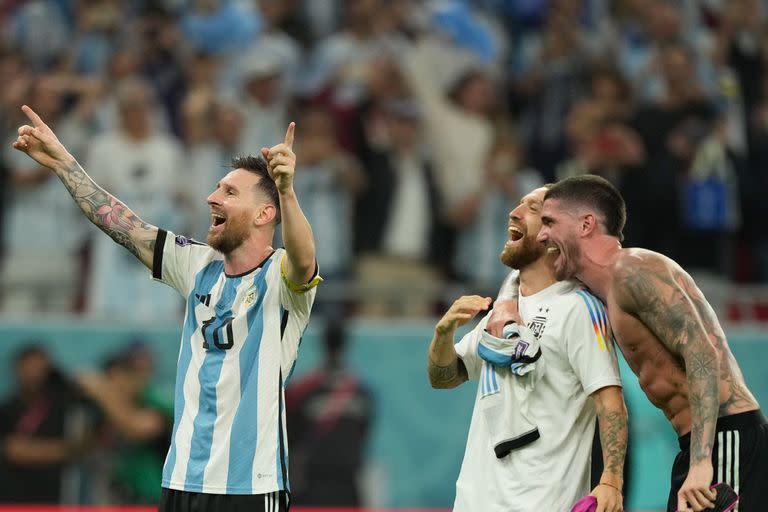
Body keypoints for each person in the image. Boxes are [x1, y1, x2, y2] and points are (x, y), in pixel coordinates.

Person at [12, 104, 321, 512]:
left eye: (229, 192)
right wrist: (64, 163)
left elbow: (303, 259)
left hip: (250, 486)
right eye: (217, 188)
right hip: (180, 480)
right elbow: (121, 224)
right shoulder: (195, 265)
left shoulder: (282, 278)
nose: (212, 197)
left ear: (265, 214)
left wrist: (286, 191)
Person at [537, 174, 766, 512]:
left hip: (725, 442)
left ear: (586, 224)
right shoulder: (602, 290)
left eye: (549, 222)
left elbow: (701, 351)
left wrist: (703, 462)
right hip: (700, 446)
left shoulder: (634, 270)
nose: (542, 235)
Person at [428, 186, 628, 512]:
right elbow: (445, 377)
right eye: (518, 203)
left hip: (543, 502)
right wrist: (443, 332)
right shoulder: (502, 314)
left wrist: (611, 481)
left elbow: (610, 403)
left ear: (553, 231)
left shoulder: (578, 309)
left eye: (533, 208)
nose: (515, 212)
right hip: (474, 503)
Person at [285, 318, 373, 506]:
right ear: (345, 343)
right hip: (348, 488)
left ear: (323, 342)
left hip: (310, 489)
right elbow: (364, 437)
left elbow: (289, 442)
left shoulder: (301, 392)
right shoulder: (362, 393)